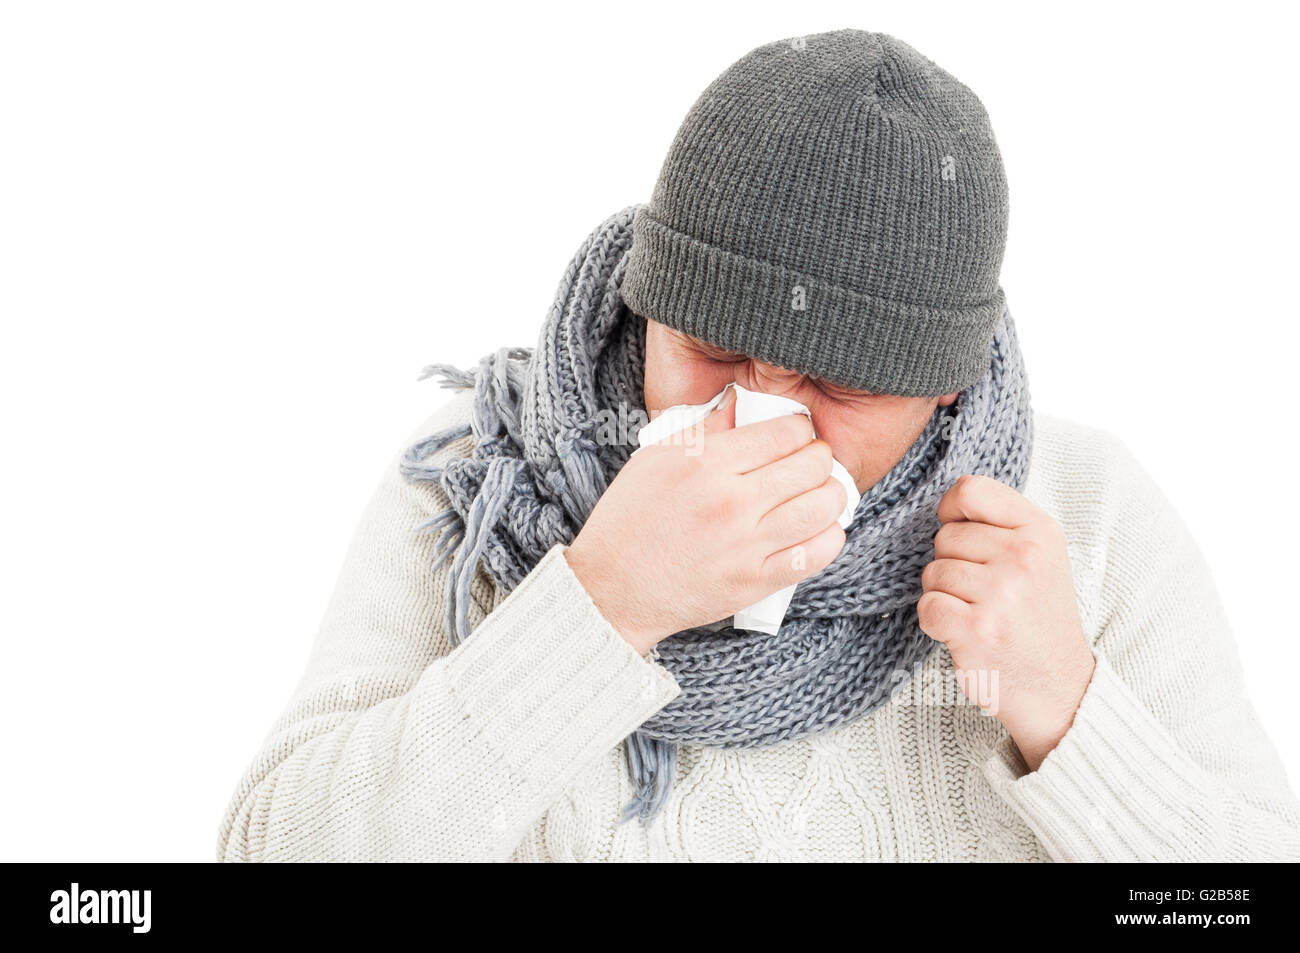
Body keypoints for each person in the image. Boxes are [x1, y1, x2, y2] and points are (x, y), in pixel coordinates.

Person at [218, 29, 1300, 862]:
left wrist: (1070, 712)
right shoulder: (482, 482)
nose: (758, 419)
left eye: (840, 386)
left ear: (944, 389)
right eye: (709, 352)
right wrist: (599, 606)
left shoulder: (1086, 514)